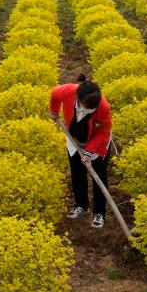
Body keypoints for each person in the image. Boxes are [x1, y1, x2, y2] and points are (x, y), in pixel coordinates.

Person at [49, 75, 112, 229]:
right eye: (86, 106)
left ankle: (99, 213)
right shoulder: (69, 91)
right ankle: (81, 205)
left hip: (97, 143)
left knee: (99, 176)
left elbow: (104, 131)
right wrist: (54, 111)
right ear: (78, 97)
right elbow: (54, 94)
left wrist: (89, 151)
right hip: (74, 138)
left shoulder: (103, 107)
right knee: (77, 172)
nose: (89, 110)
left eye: (92, 109)